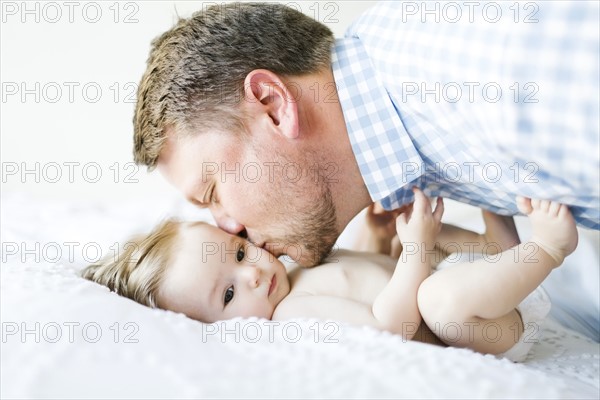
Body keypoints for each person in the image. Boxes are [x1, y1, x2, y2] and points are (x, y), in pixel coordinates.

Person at [132, 2, 598, 267]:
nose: (227, 228)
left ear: (274, 106)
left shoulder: (491, 79)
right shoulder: (397, 92)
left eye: (212, 191)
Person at [82, 190, 579, 362]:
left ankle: (500, 232)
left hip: (481, 285)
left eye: (237, 253)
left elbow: (356, 271)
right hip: (481, 328)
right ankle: (549, 248)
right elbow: (390, 326)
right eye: (229, 293)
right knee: (437, 299)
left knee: (425, 251)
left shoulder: (293, 271)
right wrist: (417, 249)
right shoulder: (294, 315)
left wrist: (379, 237)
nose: (252, 274)